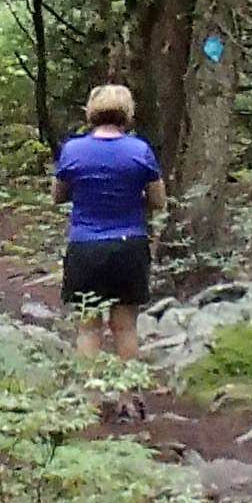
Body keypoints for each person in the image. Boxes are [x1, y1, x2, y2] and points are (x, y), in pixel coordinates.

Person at [52, 82, 165, 356]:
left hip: (85, 247)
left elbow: (57, 196)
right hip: (129, 246)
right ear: (127, 112)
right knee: (126, 327)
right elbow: (158, 201)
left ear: (91, 111)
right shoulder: (140, 151)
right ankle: (128, 395)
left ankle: (91, 396)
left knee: (88, 328)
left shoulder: (72, 150)